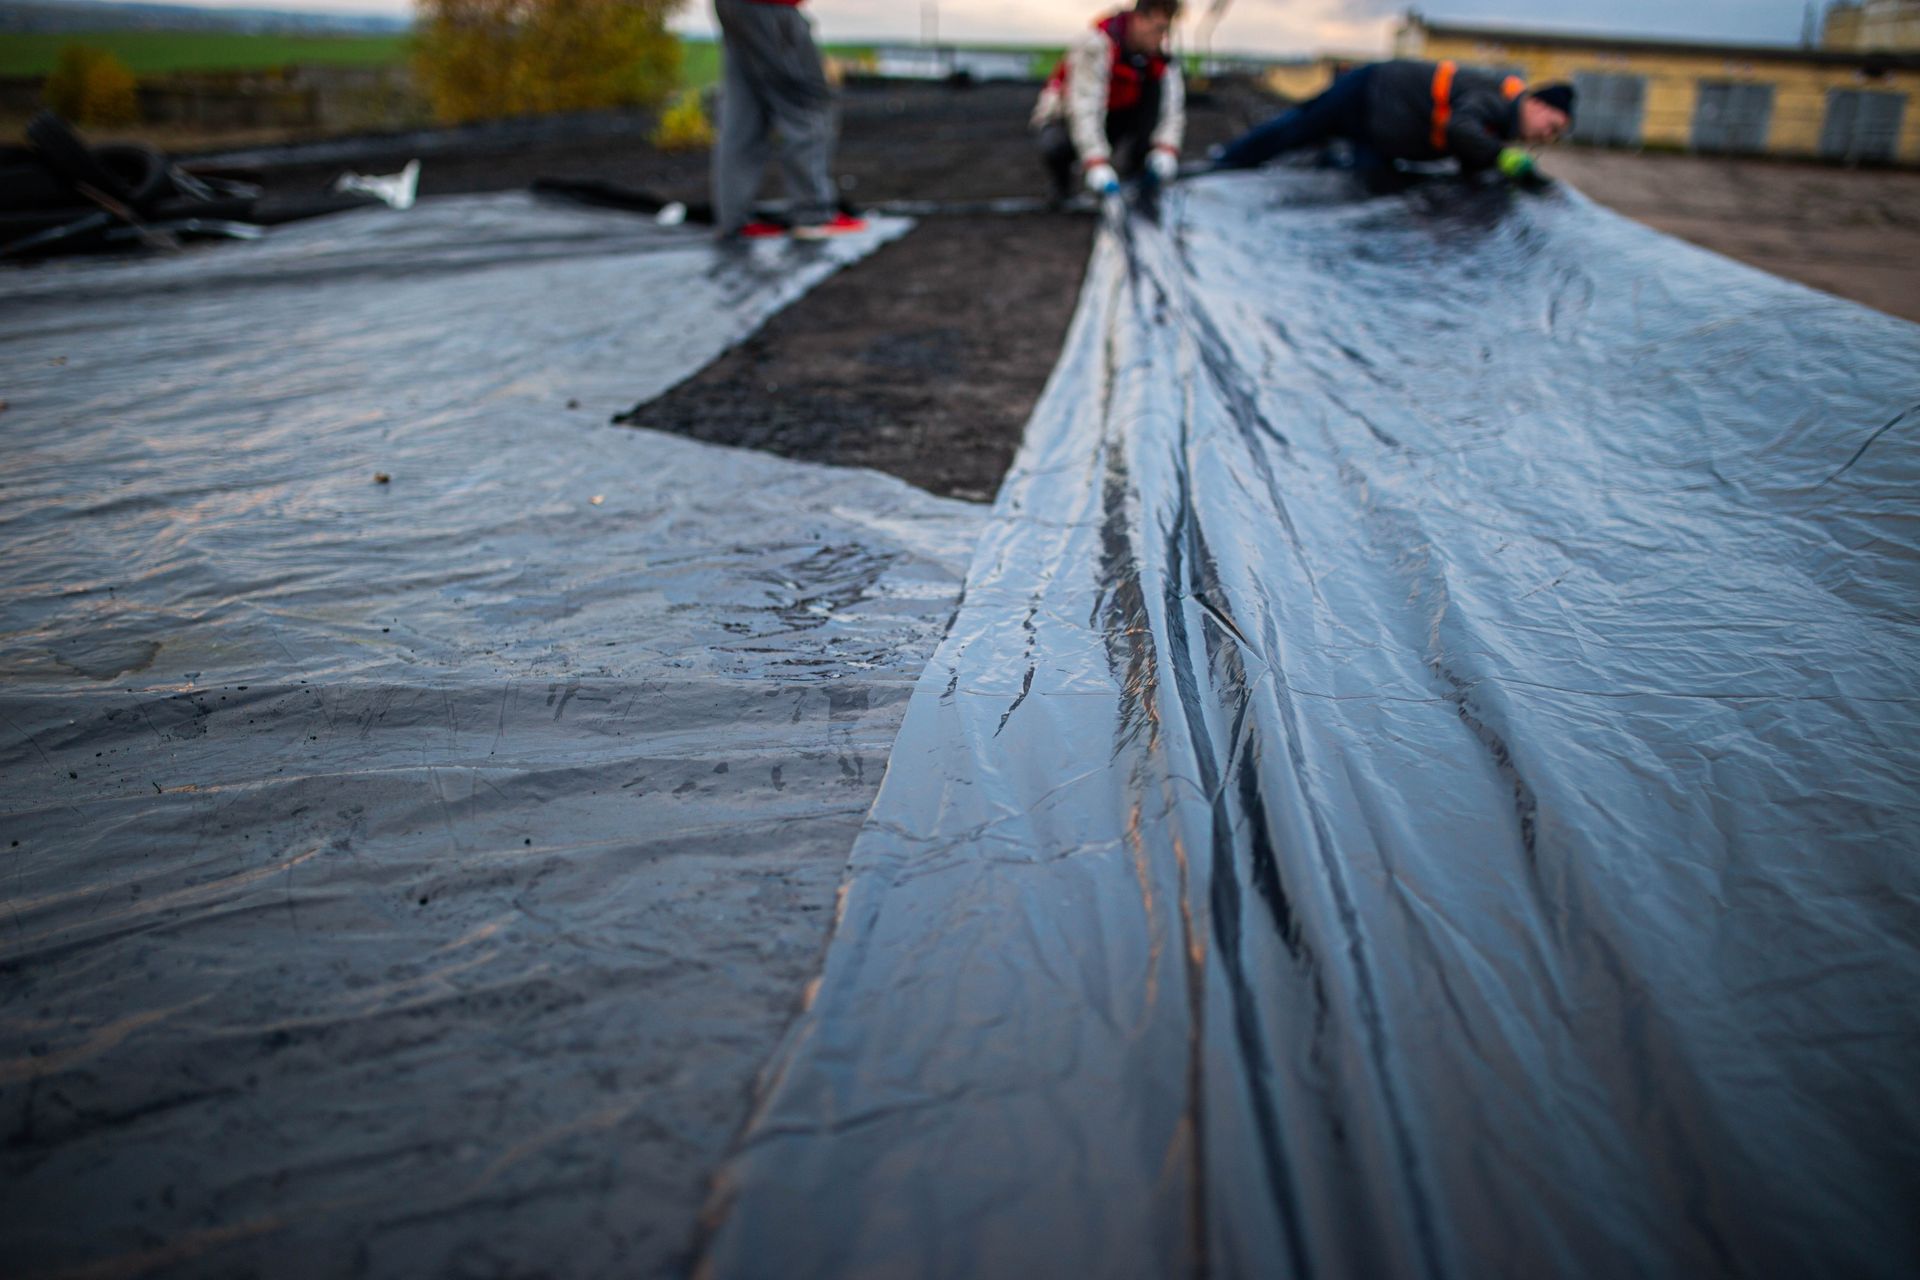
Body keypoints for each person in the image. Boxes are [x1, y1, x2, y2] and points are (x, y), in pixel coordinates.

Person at [1213, 59, 1575, 190]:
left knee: (1364, 186)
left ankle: (1328, 162)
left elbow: (1469, 157)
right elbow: (1461, 129)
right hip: (1368, 93)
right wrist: (1501, 158)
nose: (1548, 135)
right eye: (1552, 125)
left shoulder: (1504, 123)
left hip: (1380, 134)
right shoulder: (1497, 99)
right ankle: (1226, 160)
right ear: (1537, 103)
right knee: (1296, 129)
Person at [711, 0, 866, 240]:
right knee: (806, 104)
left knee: (744, 108)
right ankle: (813, 214)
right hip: (771, 6)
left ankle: (735, 220)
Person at [1032, 0, 1187, 202]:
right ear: (1139, 19)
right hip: (1066, 119)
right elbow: (1084, 107)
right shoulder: (1096, 46)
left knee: (1153, 93)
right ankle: (1062, 186)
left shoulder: (1159, 58)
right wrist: (1095, 161)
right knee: (1055, 144)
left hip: (1118, 117)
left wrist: (1166, 148)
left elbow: (1171, 107)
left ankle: (1137, 172)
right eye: (1158, 29)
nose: (1162, 37)